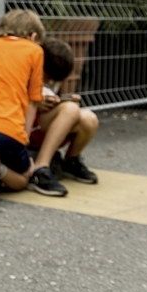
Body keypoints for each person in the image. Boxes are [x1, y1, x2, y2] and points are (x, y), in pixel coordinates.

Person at [0, 9, 69, 203]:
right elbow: (34, 101)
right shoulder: (35, 51)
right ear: (33, 36)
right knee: (24, 177)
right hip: (6, 133)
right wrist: (23, 140)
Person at [30, 38, 100, 185]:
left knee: (89, 118)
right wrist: (33, 101)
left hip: (42, 123)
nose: (49, 83)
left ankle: (71, 161)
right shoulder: (24, 66)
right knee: (71, 109)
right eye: (47, 78)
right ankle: (41, 167)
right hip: (24, 125)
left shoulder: (47, 76)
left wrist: (62, 100)